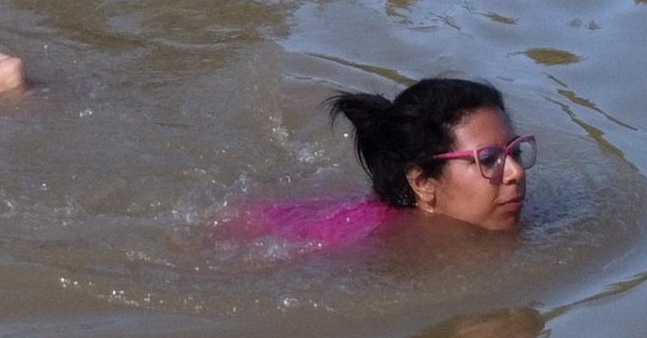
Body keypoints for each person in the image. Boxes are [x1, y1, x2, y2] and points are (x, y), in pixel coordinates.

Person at [224, 76, 533, 247]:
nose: (515, 173)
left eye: (515, 152)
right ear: (423, 183)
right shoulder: (376, 249)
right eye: (489, 159)